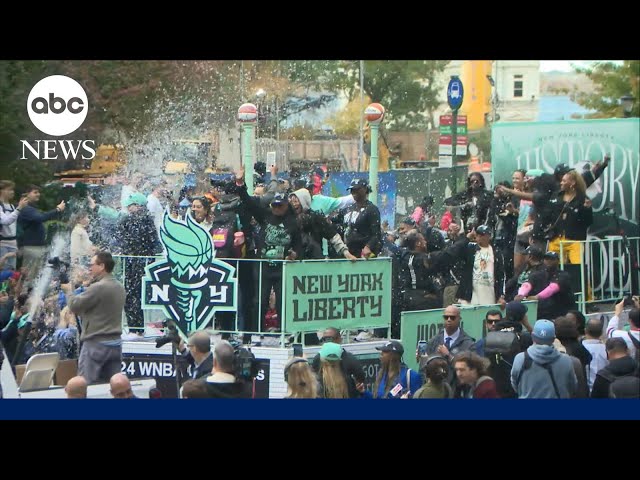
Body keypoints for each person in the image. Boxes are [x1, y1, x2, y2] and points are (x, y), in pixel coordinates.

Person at [63, 252, 126, 385]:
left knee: (85, 385)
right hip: (115, 345)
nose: (89, 268)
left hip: (96, 345)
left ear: (102, 266)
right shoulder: (120, 287)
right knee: (113, 387)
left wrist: (69, 291)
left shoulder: (98, 287)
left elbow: (74, 306)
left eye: (91, 265)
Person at [510, 319, 577, 398]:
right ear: (553, 338)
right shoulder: (566, 360)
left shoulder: (520, 358)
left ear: (532, 336)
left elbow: (515, 385)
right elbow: (572, 387)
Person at [17, 185, 66, 283]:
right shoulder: (26, 208)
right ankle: (23, 296)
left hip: (36, 248)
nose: (38, 194)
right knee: (29, 276)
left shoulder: (31, 208)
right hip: (31, 248)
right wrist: (57, 210)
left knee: (35, 276)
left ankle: (29, 295)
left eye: (38, 192)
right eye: (35, 192)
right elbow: (41, 218)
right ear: (27, 194)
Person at [311, 327, 365, 393]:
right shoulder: (318, 359)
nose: (327, 342)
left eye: (330, 339)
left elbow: (360, 378)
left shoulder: (349, 359)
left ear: (339, 339)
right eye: (324, 339)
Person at [342, 178, 382, 258]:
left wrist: (368, 246)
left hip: (364, 254)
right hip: (348, 253)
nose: (354, 192)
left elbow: (376, 234)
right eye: (352, 190)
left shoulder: (371, 209)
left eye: (357, 189)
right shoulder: (348, 209)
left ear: (365, 189)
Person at [0, 180, 29, 270]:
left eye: (12, 190)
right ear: (1, 191)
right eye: (9, 190)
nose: (12, 192)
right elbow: (6, 221)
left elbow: (14, 225)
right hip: (2, 244)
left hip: (13, 243)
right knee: (3, 271)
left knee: (11, 272)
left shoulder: (12, 206)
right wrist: (19, 207)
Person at [581, 317, 608, 393]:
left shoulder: (580, 349)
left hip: (584, 391)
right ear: (601, 332)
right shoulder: (607, 350)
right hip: (604, 391)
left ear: (585, 330)